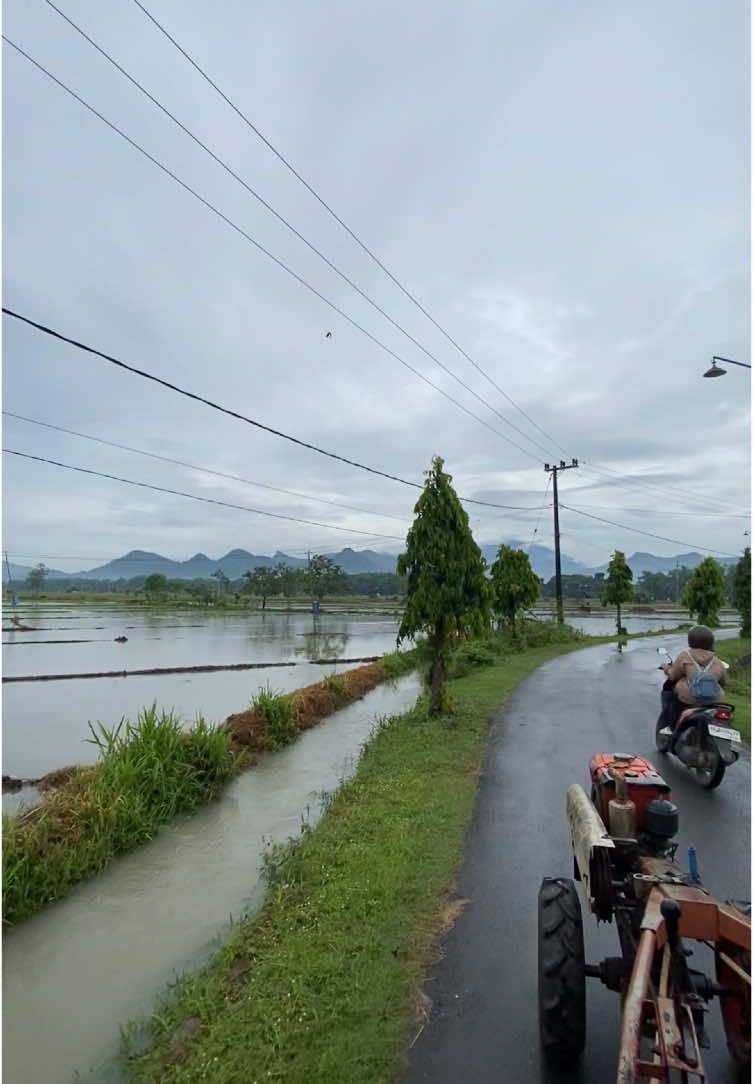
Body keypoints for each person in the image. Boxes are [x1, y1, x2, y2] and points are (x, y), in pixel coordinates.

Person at [659, 625, 727, 729]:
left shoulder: (685, 656)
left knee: (673, 698)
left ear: (690, 640)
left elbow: (673, 676)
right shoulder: (717, 661)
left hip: (689, 700)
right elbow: (723, 682)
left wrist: (666, 668)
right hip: (716, 701)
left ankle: (672, 726)